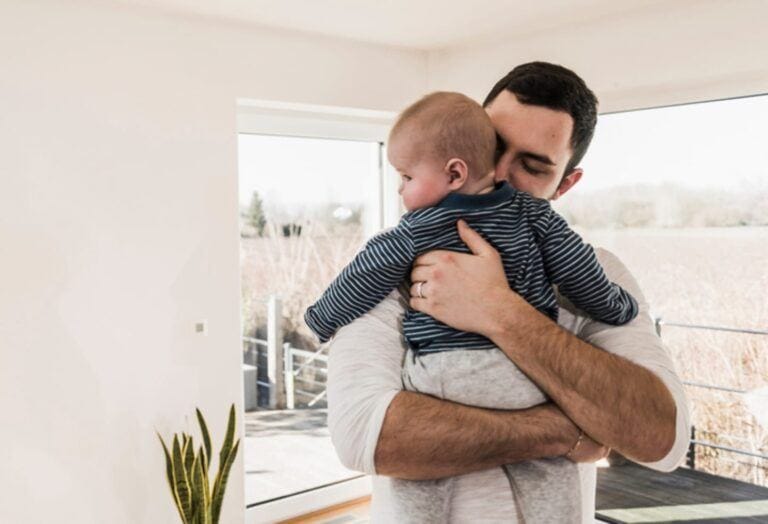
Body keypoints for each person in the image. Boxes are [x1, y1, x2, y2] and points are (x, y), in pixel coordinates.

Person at [325, 62, 691, 522]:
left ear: (565, 184)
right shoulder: (390, 266)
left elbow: (663, 440)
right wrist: (564, 431)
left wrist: (498, 311)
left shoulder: (596, 271)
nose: (495, 174)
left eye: (532, 166)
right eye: (491, 146)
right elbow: (364, 436)